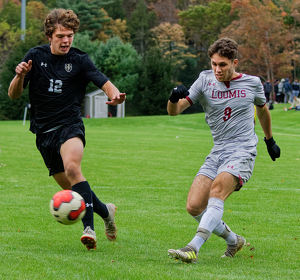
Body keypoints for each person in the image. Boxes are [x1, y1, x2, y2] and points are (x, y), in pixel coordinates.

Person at [8, 9, 126, 250]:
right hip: (43, 133)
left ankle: (89, 229)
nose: (66, 40)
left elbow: (102, 81)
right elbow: (13, 94)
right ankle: (107, 212)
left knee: (73, 168)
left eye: (70, 35)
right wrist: (19, 76)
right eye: (61, 35)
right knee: (73, 189)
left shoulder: (79, 60)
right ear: (50, 35)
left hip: (70, 125)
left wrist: (115, 95)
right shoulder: (35, 56)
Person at [167, 38, 280, 263]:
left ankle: (193, 247)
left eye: (223, 65)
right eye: (214, 64)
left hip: (243, 149)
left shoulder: (252, 83)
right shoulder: (204, 80)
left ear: (234, 62)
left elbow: (263, 110)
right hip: (218, 150)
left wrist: (269, 140)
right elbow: (174, 111)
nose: (217, 69)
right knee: (194, 206)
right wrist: (173, 98)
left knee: (217, 191)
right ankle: (233, 240)